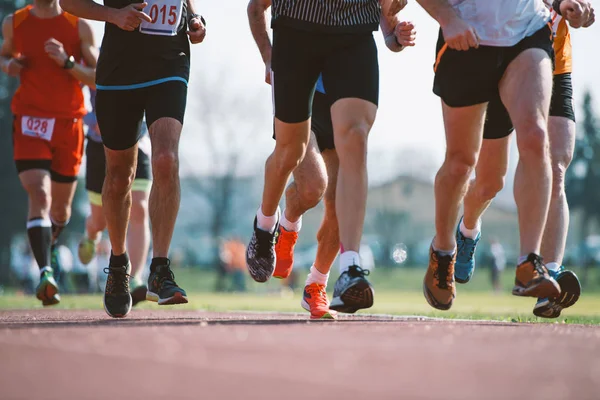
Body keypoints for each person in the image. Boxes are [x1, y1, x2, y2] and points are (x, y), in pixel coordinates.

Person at [416, 0, 592, 311]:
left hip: (528, 33)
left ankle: (532, 264)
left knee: (538, 139)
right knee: (467, 167)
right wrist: (446, 17)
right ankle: (446, 248)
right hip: (470, 36)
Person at [247, 0, 415, 319]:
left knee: (338, 195)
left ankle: (318, 283)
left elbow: (387, 27)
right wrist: (269, 57)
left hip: (345, 72)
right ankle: (275, 225)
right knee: (312, 186)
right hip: (301, 62)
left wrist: (397, 33)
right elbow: (256, 8)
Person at [60, 0, 206, 317]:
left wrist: (193, 17)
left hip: (170, 61)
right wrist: (113, 15)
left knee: (166, 158)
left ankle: (160, 269)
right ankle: (117, 263)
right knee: (118, 175)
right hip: (119, 70)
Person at [0, 0, 97, 306]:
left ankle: (50, 246)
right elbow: (3, 56)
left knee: (60, 212)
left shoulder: (79, 24)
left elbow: (97, 76)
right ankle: (45, 272)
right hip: (30, 120)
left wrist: (68, 63)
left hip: (68, 124)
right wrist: (9, 66)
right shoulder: (14, 22)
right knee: (39, 195)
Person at [78, 88, 152, 306]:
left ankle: (135, 278)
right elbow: (73, 92)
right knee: (101, 220)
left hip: (138, 138)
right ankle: (91, 232)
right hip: (99, 143)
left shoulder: (143, 55)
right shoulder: (93, 54)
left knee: (139, 207)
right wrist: (93, 118)